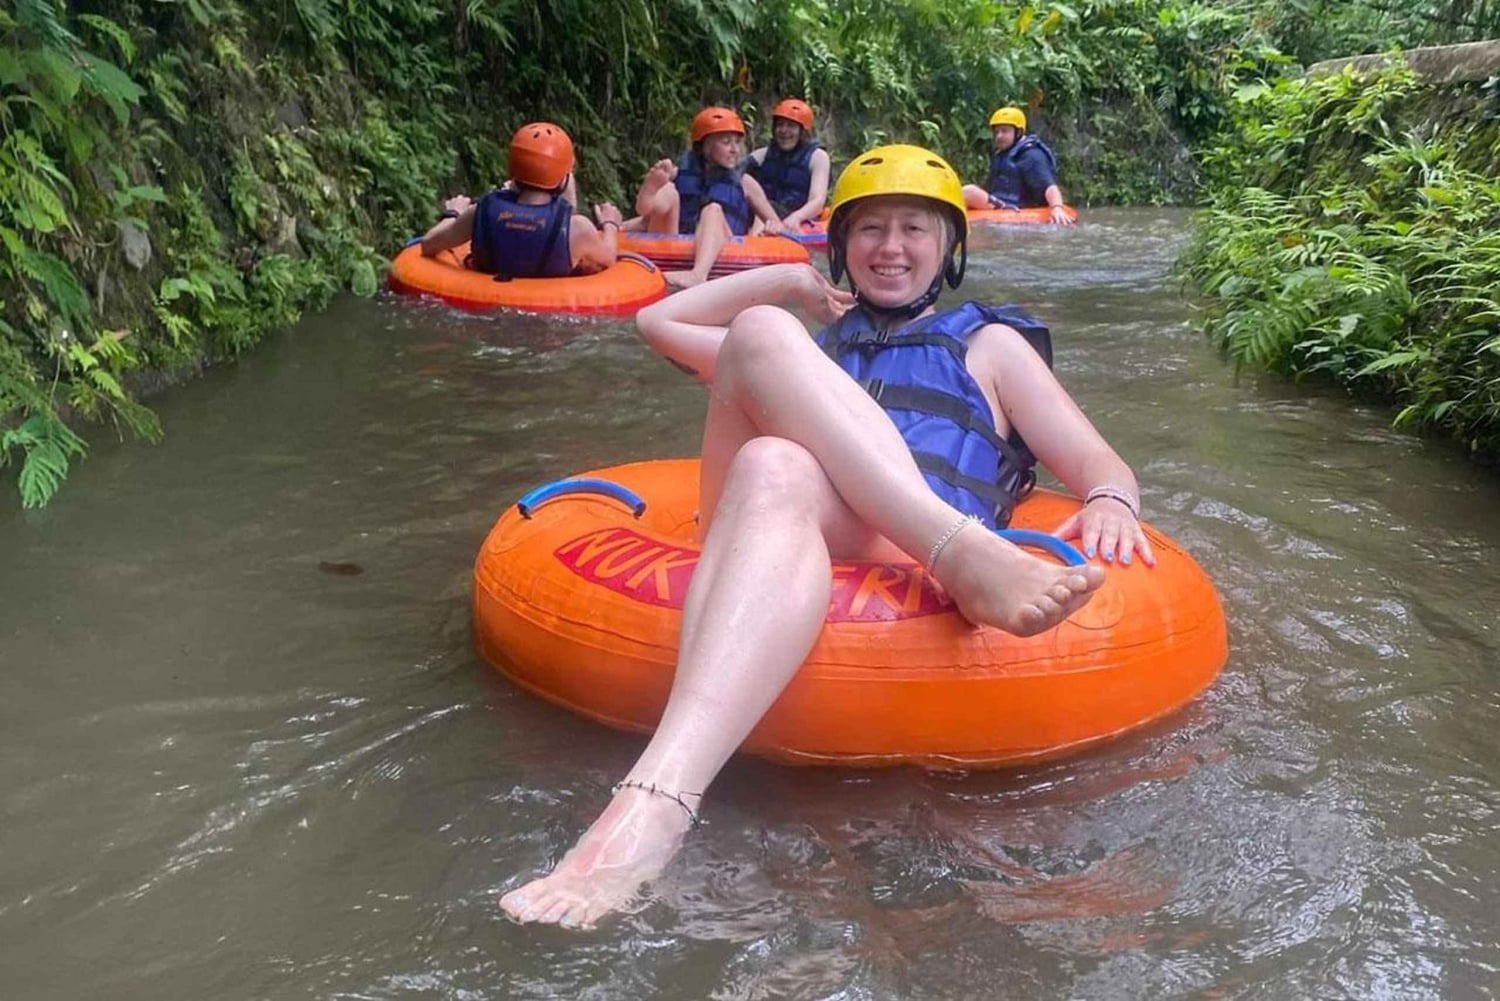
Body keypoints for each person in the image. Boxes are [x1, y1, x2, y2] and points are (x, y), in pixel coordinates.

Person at [499, 144, 1150, 930]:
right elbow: (655, 319)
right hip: (803, 534)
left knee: (776, 459)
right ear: (841, 246)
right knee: (763, 352)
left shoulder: (989, 345)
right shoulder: (811, 350)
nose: (891, 247)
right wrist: (791, 282)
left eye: (914, 227)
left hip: (887, 553)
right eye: (869, 228)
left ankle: (649, 806)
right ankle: (958, 552)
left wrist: (1112, 496)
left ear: (949, 246)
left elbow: (1095, 459)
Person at [420, 122, 624, 276]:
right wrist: (610, 224)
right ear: (564, 178)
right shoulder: (578, 229)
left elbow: (429, 244)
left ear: (511, 169)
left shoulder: (481, 211)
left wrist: (453, 214)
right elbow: (607, 258)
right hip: (549, 325)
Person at [630, 106, 781, 288]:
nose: (735, 149)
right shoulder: (678, 174)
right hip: (672, 243)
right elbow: (647, 220)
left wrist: (771, 227)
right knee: (669, 190)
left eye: (737, 142)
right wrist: (617, 226)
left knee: (713, 209)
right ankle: (646, 199)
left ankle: (698, 274)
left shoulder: (746, 182)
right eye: (726, 142)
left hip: (726, 245)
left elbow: (776, 224)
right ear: (705, 146)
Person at [961, 107, 1075, 227]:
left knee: (968, 191)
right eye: (996, 132)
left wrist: (1057, 208)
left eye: (1005, 131)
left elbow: (1049, 186)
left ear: (1018, 132)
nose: (999, 136)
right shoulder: (1001, 154)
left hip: (1014, 208)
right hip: (999, 203)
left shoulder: (1032, 155)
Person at [745, 98, 832, 233]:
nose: (784, 131)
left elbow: (818, 201)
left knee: (768, 207)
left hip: (796, 216)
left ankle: (753, 243)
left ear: (803, 131)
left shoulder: (818, 157)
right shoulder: (762, 155)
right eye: (780, 125)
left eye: (791, 126)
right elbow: (733, 172)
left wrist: (796, 218)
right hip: (766, 214)